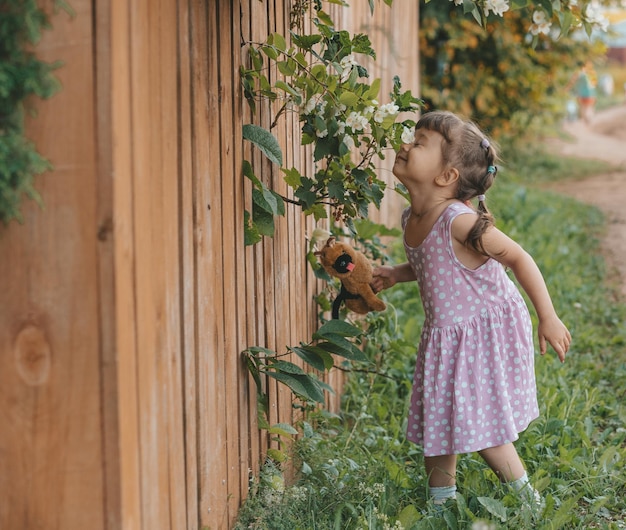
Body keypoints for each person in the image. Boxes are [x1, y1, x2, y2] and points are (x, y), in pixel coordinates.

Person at [371, 111, 571, 511]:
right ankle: (441, 506)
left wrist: (546, 316)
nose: (407, 143)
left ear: (446, 176)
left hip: (481, 330)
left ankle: (529, 503)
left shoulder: (458, 221)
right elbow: (435, 264)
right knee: (438, 420)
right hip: (447, 333)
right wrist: (397, 273)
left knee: (482, 425)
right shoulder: (413, 216)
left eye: (421, 141)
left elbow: (518, 257)